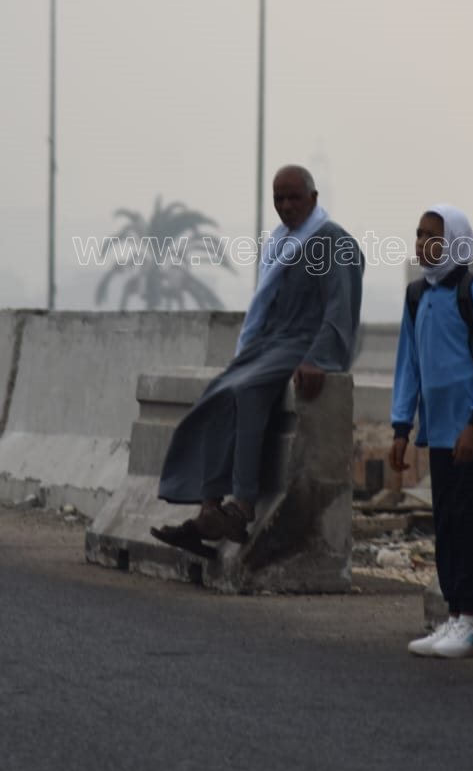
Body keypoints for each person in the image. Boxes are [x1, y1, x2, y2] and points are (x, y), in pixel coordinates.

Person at [151, 165, 364, 553]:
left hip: (300, 345)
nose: (285, 206)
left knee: (246, 390)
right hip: (266, 345)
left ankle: (243, 505)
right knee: (218, 392)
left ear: (313, 198)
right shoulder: (282, 242)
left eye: (293, 198)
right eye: (278, 198)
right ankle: (211, 507)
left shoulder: (333, 242)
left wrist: (319, 358)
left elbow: (340, 311)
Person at [389, 204, 473, 659]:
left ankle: (471, 619)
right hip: (437, 434)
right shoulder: (417, 295)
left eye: (431, 236)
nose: (422, 244)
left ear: (455, 241)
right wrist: (402, 426)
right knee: (448, 525)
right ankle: (454, 614)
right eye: (418, 235)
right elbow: (408, 367)